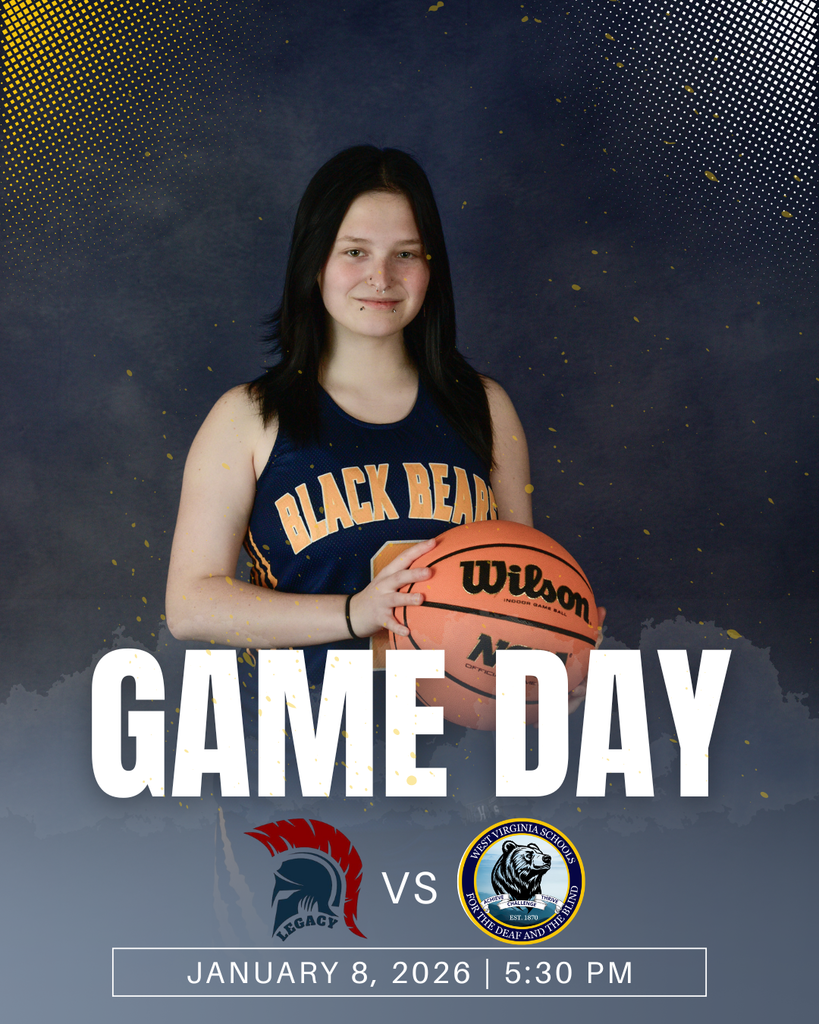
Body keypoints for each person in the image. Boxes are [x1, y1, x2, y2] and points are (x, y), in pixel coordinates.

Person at [165, 145, 592, 729]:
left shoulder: (485, 407)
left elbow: (519, 586)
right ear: (314, 263)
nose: (381, 277)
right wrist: (355, 612)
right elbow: (190, 606)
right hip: (296, 749)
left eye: (405, 254)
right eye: (356, 251)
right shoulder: (247, 417)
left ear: (430, 267)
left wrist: (549, 660)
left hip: (454, 752)